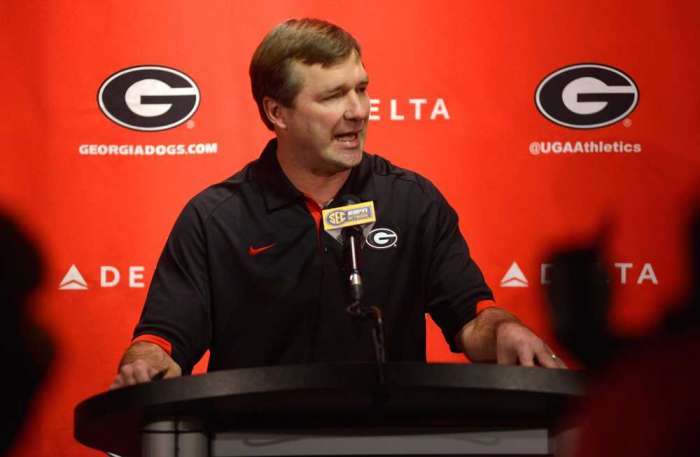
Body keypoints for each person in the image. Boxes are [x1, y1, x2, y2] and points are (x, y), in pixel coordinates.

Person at [110, 18, 565, 389]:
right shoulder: (215, 219)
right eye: (333, 96)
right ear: (276, 113)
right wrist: (145, 359)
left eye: (361, 89)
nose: (359, 111)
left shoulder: (412, 200)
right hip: (252, 442)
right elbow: (164, 339)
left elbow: (471, 317)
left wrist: (504, 330)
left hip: (389, 439)